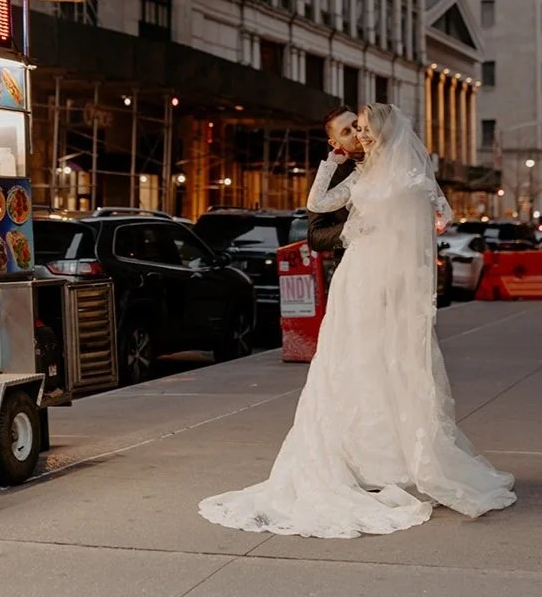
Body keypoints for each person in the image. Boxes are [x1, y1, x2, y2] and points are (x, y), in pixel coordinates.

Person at [199, 102, 516, 538]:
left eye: (362, 128)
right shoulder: (357, 175)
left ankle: (396, 461)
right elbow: (317, 213)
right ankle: (356, 458)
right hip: (357, 280)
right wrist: (346, 208)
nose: (359, 136)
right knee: (350, 366)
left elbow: (438, 216)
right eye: (351, 131)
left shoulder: (409, 173)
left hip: (390, 281)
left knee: (391, 367)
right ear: (338, 141)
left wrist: (411, 246)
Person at [306, 106, 364, 254]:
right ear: (334, 143)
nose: (356, 133)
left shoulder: (392, 160)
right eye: (346, 132)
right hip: (353, 264)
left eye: (356, 125)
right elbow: (315, 238)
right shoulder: (328, 176)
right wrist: (357, 227)